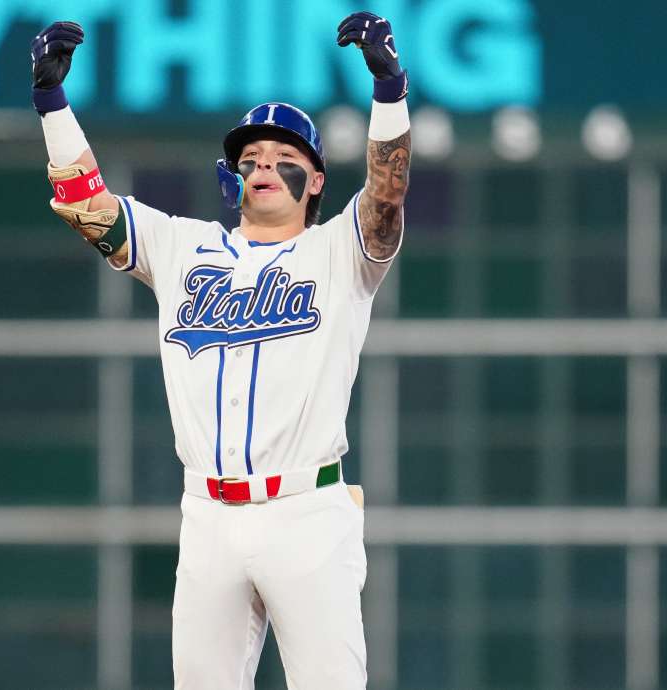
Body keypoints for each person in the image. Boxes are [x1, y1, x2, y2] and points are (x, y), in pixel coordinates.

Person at [31, 11, 411, 688]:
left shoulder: (339, 253)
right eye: (251, 157)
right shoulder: (183, 247)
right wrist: (53, 105)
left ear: (316, 181)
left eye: (284, 158)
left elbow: (386, 196)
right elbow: (87, 206)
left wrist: (389, 95)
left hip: (306, 510)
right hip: (208, 515)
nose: (264, 164)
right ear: (230, 174)